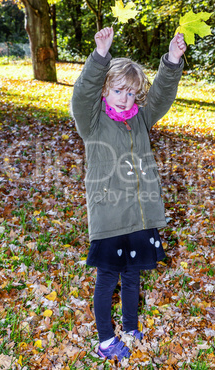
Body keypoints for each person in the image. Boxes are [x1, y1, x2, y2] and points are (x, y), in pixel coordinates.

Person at [71, 27, 186, 361]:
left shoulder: (140, 120)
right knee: (108, 277)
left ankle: (131, 327)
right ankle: (105, 340)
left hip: (138, 214)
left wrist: (173, 61)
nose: (125, 98)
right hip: (109, 214)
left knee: (132, 276)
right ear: (105, 89)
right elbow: (82, 94)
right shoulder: (91, 122)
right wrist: (100, 57)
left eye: (131, 93)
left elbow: (162, 96)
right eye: (118, 90)